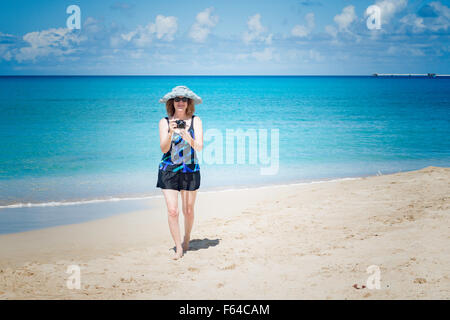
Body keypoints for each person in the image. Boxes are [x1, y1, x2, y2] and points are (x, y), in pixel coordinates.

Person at [156, 86, 203, 260]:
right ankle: (178, 247)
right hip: (168, 169)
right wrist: (170, 132)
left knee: (188, 210)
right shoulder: (164, 121)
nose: (180, 102)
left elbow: (199, 146)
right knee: (173, 211)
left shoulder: (196, 120)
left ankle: (187, 237)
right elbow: (164, 148)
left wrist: (186, 135)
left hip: (190, 169)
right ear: (172, 102)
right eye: (177, 99)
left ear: (189, 102)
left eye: (184, 99)